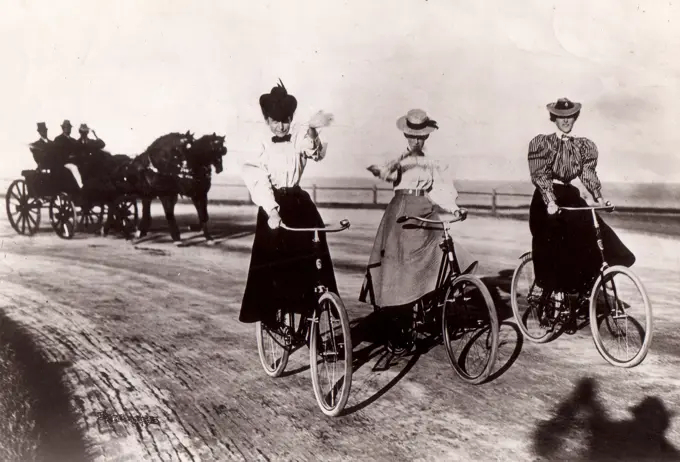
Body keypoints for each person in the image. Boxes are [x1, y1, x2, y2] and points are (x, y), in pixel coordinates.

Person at [238, 80, 337, 325]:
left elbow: (314, 151)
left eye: (286, 120)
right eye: (276, 121)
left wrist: (313, 130)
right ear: (267, 120)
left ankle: (311, 311)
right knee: (273, 258)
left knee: (315, 246)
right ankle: (270, 314)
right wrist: (271, 210)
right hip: (274, 204)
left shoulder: (297, 139)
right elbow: (257, 178)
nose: (281, 126)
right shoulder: (259, 144)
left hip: (298, 202)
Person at [359, 108, 476, 313]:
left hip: (426, 209)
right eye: (412, 137)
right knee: (405, 264)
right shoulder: (397, 158)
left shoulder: (430, 162)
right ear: (406, 135)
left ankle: (432, 301)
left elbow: (437, 188)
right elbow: (386, 172)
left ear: (426, 137)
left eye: (421, 138)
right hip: (402, 210)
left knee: (445, 250)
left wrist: (455, 209)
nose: (416, 142)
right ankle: (402, 310)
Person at [527, 97, 635, 298]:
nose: (566, 121)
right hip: (546, 198)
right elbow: (540, 174)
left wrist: (599, 198)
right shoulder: (543, 143)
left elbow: (588, 173)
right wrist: (550, 200)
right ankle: (552, 294)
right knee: (556, 244)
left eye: (569, 117)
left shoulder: (582, 145)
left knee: (596, 232)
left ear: (574, 117)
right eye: (561, 117)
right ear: (554, 118)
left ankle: (590, 282)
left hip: (569, 195)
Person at [52, 119, 83, 190]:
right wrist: (68, 157)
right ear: (63, 128)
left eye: (69, 128)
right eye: (66, 127)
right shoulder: (58, 139)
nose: (68, 129)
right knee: (74, 167)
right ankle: (81, 186)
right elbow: (57, 153)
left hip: (74, 161)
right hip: (64, 162)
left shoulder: (73, 140)